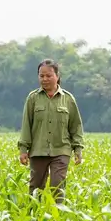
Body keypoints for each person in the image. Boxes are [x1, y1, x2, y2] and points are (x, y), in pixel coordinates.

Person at [18, 59, 85, 204]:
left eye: (48, 76)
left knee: (58, 187)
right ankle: (32, 218)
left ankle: (57, 220)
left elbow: (76, 126)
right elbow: (26, 125)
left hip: (61, 149)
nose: (45, 79)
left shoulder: (68, 99)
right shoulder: (33, 98)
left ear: (57, 76)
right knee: (36, 189)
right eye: (41, 76)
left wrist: (78, 149)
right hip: (38, 150)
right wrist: (23, 149)